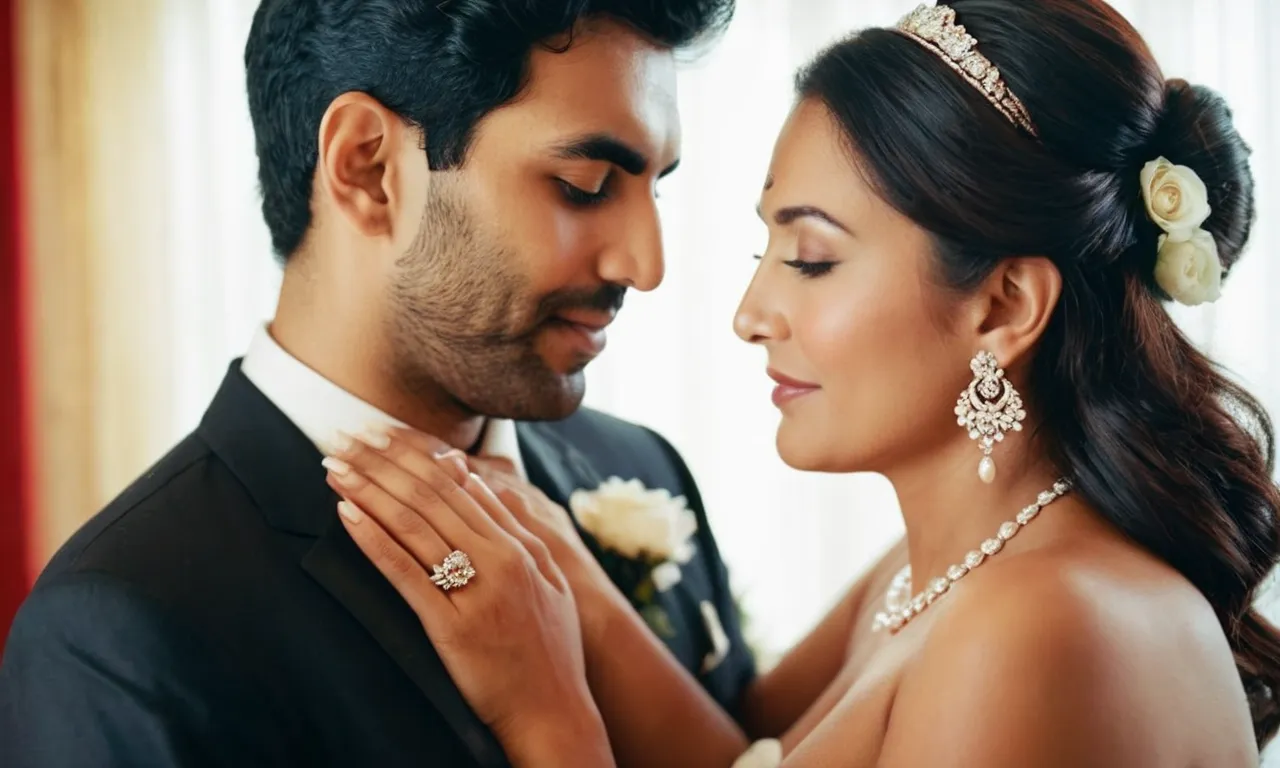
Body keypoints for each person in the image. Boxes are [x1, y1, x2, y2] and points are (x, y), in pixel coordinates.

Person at [323, 0, 1280, 765]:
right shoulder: (932, 574)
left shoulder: (1037, 628)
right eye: (765, 246)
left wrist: (546, 718)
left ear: (1002, 306)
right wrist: (563, 571)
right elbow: (746, 754)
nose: (750, 314)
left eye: (812, 259)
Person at [0, 2, 757, 766]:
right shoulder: (121, 628)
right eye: (584, 185)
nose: (645, 265)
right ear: (367, 167)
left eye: (654, 188)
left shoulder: (645, 472)